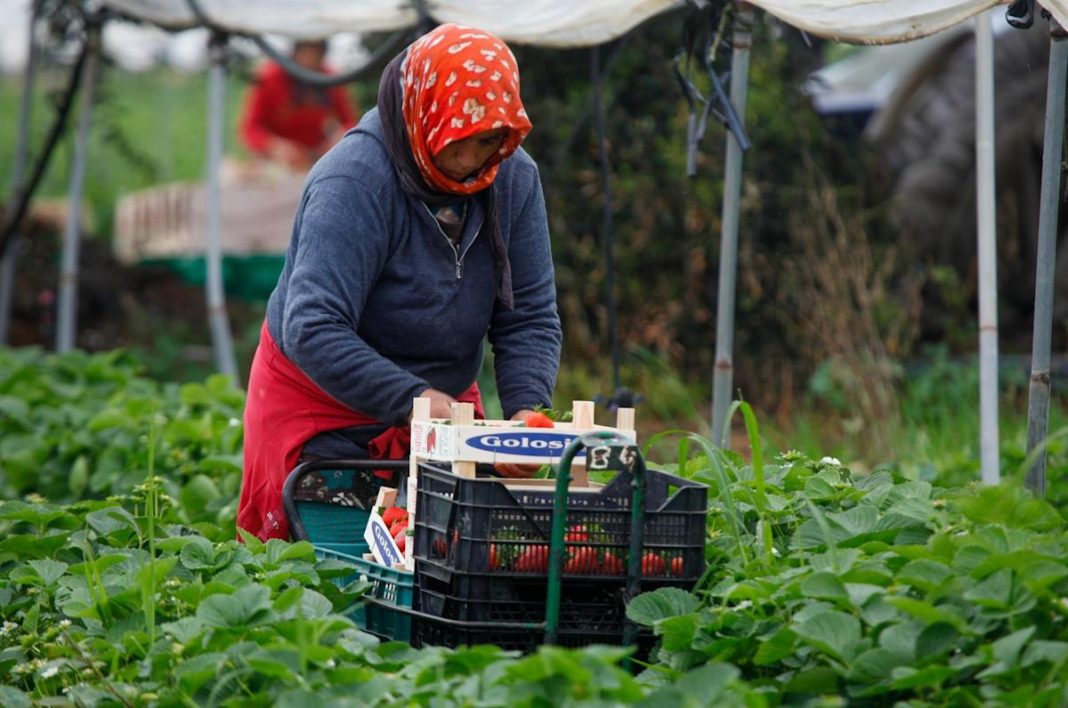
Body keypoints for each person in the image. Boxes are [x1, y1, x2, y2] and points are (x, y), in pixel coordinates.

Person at [237, 24, 563, 541]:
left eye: (490, 142)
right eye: (461, 142)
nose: (473, 161)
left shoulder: (513, 176)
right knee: (331, 577)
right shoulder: (354, 181)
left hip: (442, 405)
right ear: (423, 117)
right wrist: (412, 396)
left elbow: (528, 314)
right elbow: (313, 325)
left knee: (446, 565)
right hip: (325, 402)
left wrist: (526, 410)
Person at [240, 39, 359, 172]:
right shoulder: (269, 77)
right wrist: (274, 146)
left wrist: (340, 138)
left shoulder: (330, 79)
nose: (311, 61)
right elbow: (250, 129)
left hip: (317, 160)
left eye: (318, 54)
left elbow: (350, 124)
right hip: (276, 164)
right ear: (296, 52)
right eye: (307, 53)